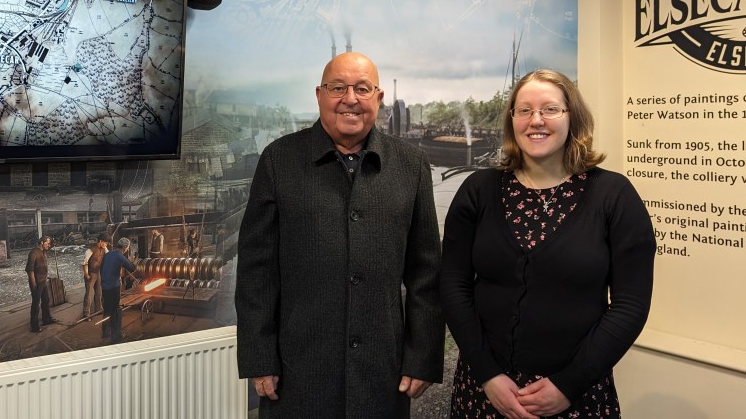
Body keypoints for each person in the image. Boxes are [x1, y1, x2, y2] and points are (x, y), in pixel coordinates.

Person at [235, 52, 445, 418]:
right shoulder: (278, 160)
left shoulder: (411, 165)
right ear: (319, 95)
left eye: (362, 88)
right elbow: (257, 270)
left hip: (384, 371)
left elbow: (426, 272)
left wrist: (423, 356)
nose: (350, 98)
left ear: (378, 99)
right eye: (338, 87)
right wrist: (259, 356)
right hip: (297, 371)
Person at [440, 69, 656, 419]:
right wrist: (487, 374)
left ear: (573, 117)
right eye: (523, 110)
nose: (535, 120)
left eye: (550, 109)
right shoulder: (478, 190)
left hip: (576, 396)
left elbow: (630, 305)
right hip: (484, 391)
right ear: (512, 121)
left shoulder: (614, 196)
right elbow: (453, 284)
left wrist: (569, 385)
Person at [100, 236, 137, 344]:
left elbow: (102, 269)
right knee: (115, 311)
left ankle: (105, 332)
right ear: (125, 247)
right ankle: (116, 336)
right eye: (128, 247)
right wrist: (135, 260)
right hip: (113, 287)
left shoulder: (108, 254)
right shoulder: (120, 256)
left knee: (107, 309)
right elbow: (132, 268)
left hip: (105, 286)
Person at [25, 235, 57, 333]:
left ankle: (46, 319)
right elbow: (29, 270)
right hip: (37, 282)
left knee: (46, 300)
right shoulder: (33, 253)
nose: (48, 245)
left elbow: (50, 247)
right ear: (42, 243)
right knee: (36, 304)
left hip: (43, 281)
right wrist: (33, 284)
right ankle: (34, 326)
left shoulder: (43, 251)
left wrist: (53, 243)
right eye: (47, 243)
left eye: (49, 244)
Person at [82, 233, 109, 319]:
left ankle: (98, 309)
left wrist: (105, 248)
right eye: (105, 242)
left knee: (99, 292)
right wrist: (86, 274)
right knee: (89, 294)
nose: (106, 244)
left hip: (98, 273)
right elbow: (84, 263)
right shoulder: (90, 250)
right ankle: (86, 313)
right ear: (100, 241)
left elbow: (108, 256)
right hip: (90, 273)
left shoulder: (103, 248)